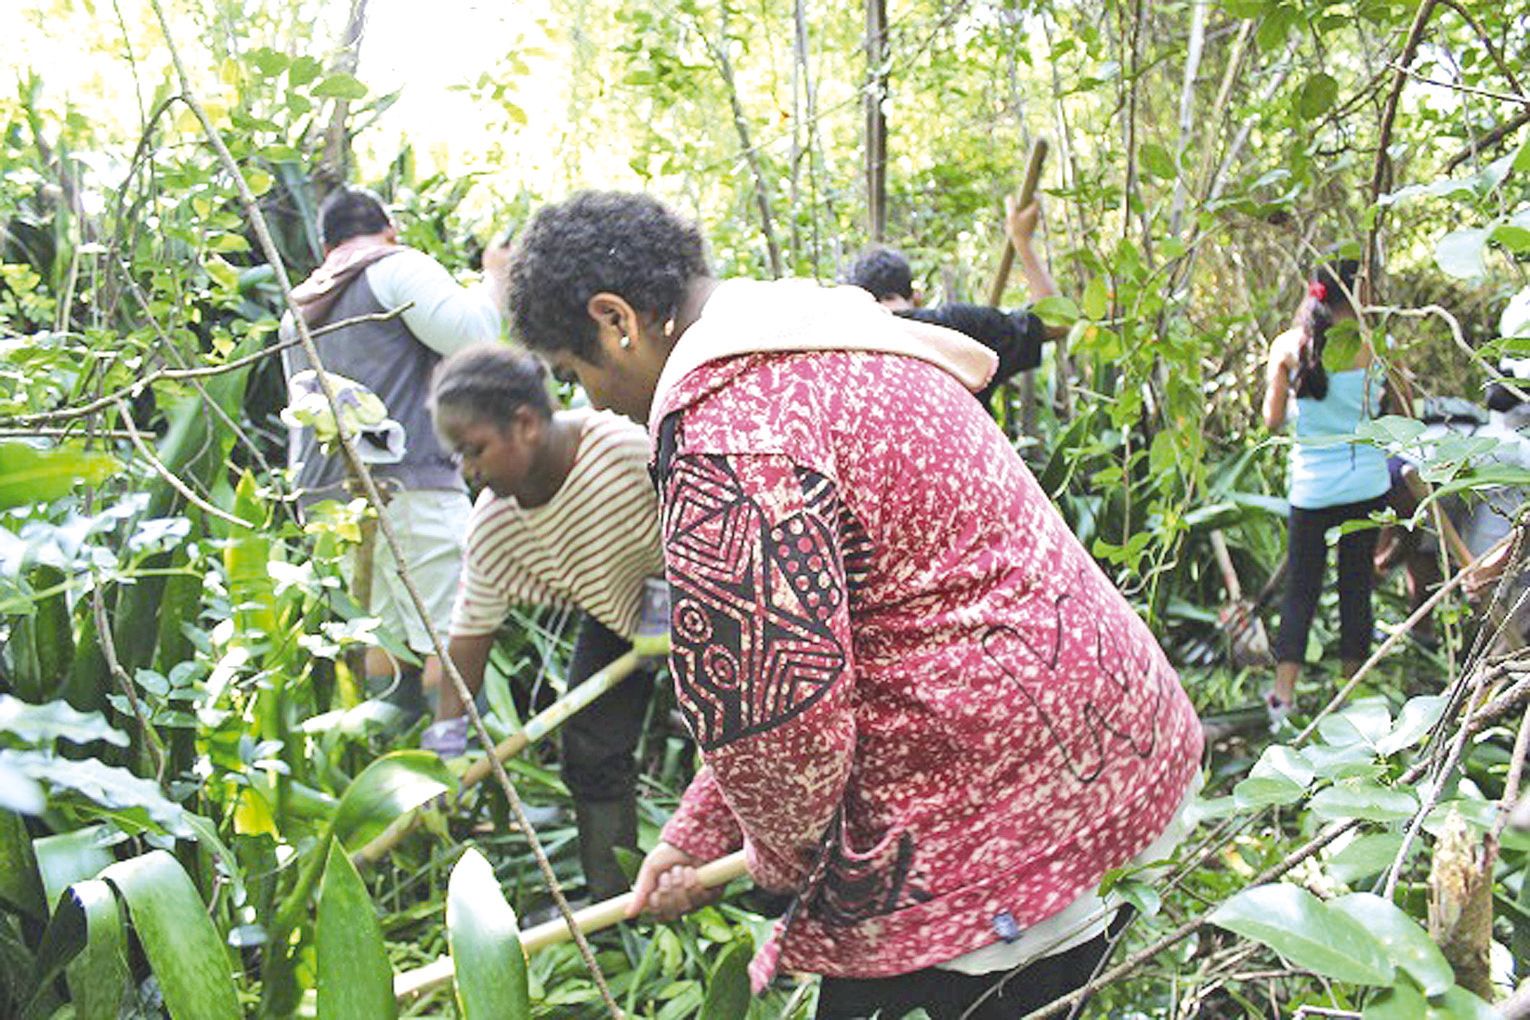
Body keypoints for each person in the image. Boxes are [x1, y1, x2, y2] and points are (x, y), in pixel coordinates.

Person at [503, 190, 1203, 1019]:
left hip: (999, 836)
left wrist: (772, 854)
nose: (593, 403)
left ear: (616, 320)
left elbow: (780, 730)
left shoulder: (730, 431)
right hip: (1114, 755)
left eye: (576, 373)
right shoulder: (825, 334)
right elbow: (788, 668)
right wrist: (697, 834)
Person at [425, 344, 667, 900]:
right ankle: (614, 901)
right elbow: (471, 633)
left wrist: (669, 596)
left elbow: (704, 508)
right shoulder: (496, 526)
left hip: (708, 589)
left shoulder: (622, 448)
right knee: (590, 746)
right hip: (618, 616)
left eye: (474, 449)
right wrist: (446, 739)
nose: (467, 469)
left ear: (527, 425)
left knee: (737, 726)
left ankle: (772, 879)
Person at [279, 186, 506, 721]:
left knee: (384, 638)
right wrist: (495, 275)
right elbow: (474, 336)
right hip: (408, 486)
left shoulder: (302, 302)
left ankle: (390, 780)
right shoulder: (394, 266)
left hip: (325, 499)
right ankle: (453, 782)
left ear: (325, 246)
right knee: (452, 634)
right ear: (388, 230)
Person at [1261, 259, 1391, 722]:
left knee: (1301, 590)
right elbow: (1396, 412)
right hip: (1367, 482)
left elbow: (1272, 420)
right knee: (1357, 586)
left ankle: (1283, 698)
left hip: (1313, 487)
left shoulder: (1289, 346)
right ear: (1359, 290)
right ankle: (1352, 695)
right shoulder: (1375, 346)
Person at [843, 197, 1067, 413]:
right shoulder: (955, 326)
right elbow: (1056, 321)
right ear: (917, 296)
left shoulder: (844, 355)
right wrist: (1022, 241)